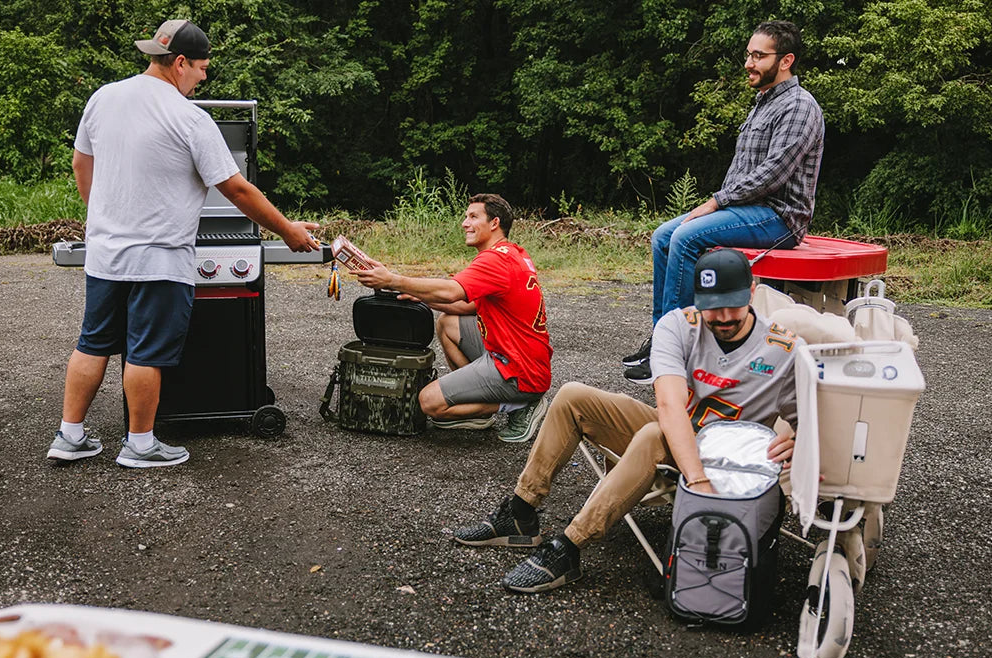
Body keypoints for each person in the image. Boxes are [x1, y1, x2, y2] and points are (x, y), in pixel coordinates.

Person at [46, 20, 318, 468]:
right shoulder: (188, 116)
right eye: (202, 68)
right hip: (158, 257)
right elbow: (237, 190)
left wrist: (105, 218)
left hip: (106, 253)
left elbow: (81, 164)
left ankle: (69, 436)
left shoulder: (104, 97)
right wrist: (287, 230)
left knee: (93, 342)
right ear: (179, 63)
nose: (204, 77)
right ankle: (140, 444)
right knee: (144, 352)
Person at [454, 248, 798, 593]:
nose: (723, 317)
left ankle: (569, 547)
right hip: (679, 434)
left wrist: (801, 441)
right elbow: (668, 404)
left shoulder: (782, 349)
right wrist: (695, 478)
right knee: (573, 395)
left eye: (733, 305)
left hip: (726, 459)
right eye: (712, 306)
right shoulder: (680, 324)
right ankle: (520, 512)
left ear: (753, 291)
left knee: (651, 435)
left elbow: (818, 422)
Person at [623, 19, 823, 383]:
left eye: (758, 56)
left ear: (786, 60)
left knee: (685, 238)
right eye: (748, 54)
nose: (749, 63)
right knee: (664, 236)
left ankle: (678, 352)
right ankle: (664, 338)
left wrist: (716, 203)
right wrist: (722, 203)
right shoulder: (763, 103)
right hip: (746, 210)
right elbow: (743, 171)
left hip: (778, 217)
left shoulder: (799, 106)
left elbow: (773, 174)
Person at [352, 194, 552, 443]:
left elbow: (450, 291)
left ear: (494, 223)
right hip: (518, 356)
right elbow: (465, 304)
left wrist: (392, 279)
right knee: (448, 323)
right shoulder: (512, 253)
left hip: (518, 370)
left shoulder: (495, 260)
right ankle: (482, 406)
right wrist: (414, 293)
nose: (464, 223)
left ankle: (517, 405)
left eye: (473, 217)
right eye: (466, 216)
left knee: (429, 403)